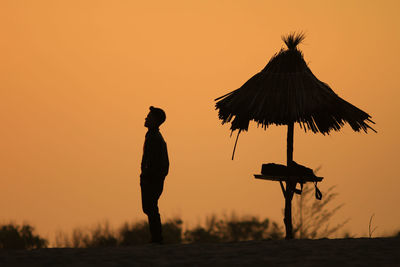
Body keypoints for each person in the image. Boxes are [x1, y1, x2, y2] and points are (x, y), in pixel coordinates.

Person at [140, 106, 169, 244]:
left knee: (151, 208)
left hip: (152, 179)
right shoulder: (152, 136)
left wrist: (149, 176)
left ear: (156, 121)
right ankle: (156, 238)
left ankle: (157, 239)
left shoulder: (155, 138)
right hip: (150, 178)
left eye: (149, 116)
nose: (146, 118)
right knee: (149, 208)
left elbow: (159, 163)